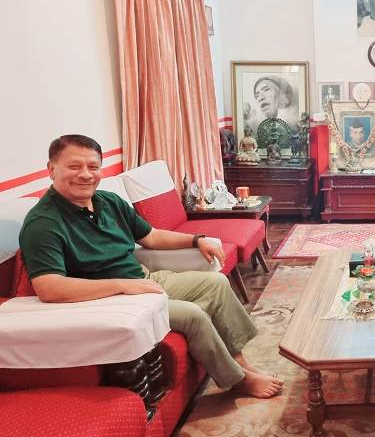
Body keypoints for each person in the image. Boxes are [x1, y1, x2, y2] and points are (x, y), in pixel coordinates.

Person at [19, 135, 283, 399]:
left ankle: (242, 364)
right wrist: (122, 286)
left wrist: (196, 240)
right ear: (51, 169)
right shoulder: (43, 223)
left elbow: (151, 236)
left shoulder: (108, 202)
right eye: (74, 166)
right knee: (193, 315)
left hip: (144, 280)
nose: (86, 174)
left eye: (93, 166)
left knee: (216, 284)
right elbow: (48, 287)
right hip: (107, 301)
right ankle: (237, 381)